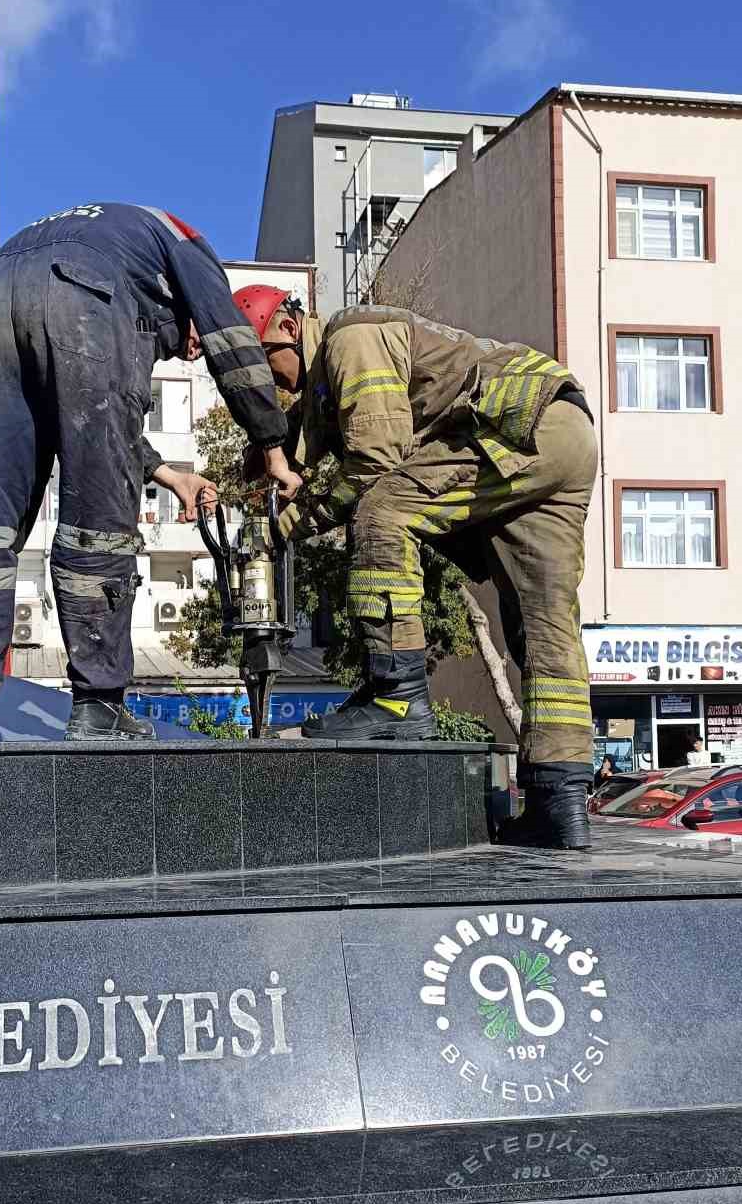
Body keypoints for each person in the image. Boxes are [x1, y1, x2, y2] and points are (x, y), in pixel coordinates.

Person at [232, 285, 598, 851]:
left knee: (382, 514)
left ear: (284, 327)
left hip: (511, 425)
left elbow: (376, 462)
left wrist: (289, 527)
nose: (266, 385)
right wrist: (254, 475)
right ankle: (560, 801)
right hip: (564, 431)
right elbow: (297, 439)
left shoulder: (350, 338)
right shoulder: (329, 375)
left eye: (258, 366)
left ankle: (397, 697)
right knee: (546, 623)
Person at [0, 203, 288, 743]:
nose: (183, 356)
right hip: (85, 295)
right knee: (98, 526)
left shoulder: (116, 234)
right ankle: (98, 707)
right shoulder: (185, 238)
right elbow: (229, 340)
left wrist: (168, 474)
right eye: (183, 346)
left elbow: (85, 417)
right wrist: (271, 442)